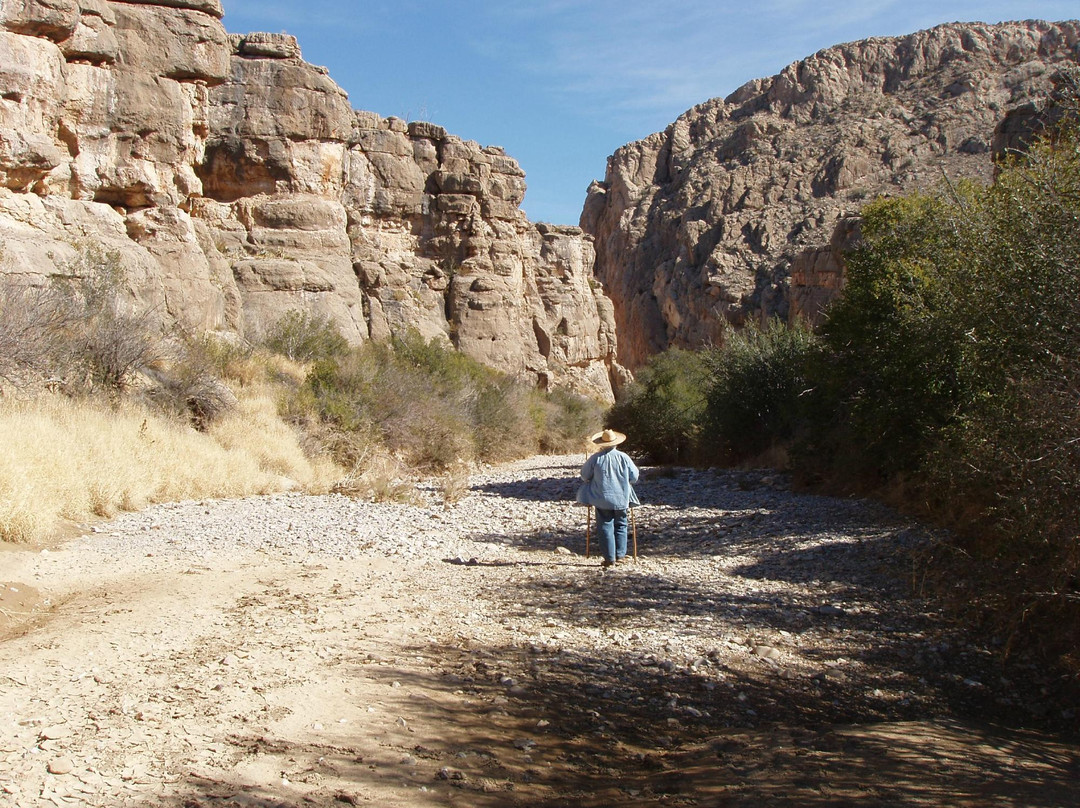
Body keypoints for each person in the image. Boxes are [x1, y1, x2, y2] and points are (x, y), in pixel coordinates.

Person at [577, 429, 640, 568]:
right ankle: (620, 556)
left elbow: (585, 476)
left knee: (605, 526)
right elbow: (634, 477)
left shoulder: (595, 458)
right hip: (621, 497)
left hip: (601, 498)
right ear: (616, 443)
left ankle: (609, 558)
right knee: (621, 525)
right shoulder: (624, 457)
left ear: (601, 444)